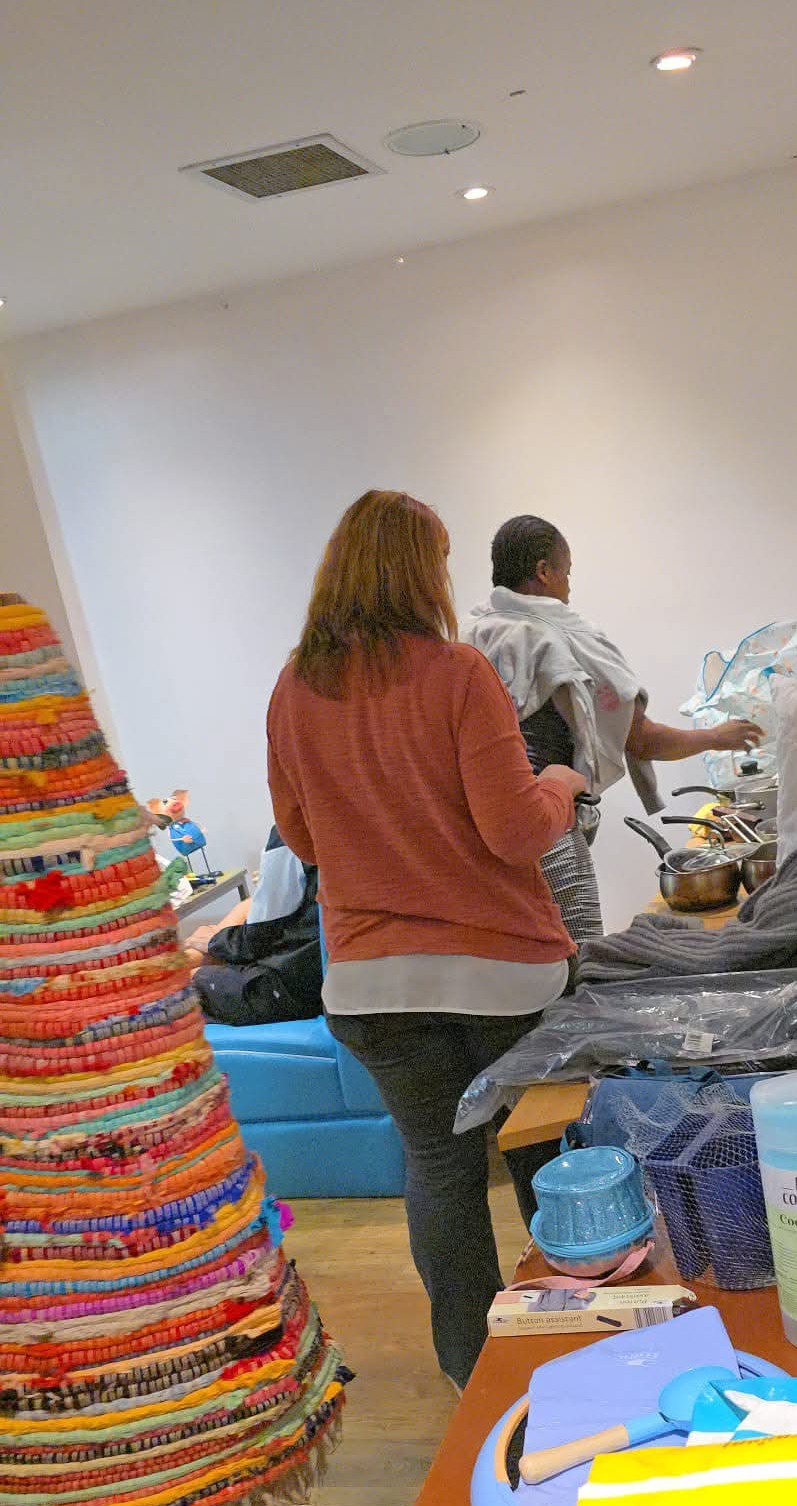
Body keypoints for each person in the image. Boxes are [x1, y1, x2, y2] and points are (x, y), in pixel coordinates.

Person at [267, 489, 585, 1390]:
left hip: (372, 988)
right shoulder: (455, 674)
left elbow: (303, 839)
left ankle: (475, 1375)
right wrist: (559, 780)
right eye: (440, 559)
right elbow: (516, 832)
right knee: (539, 1153)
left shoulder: (294, 686)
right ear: (418, 570)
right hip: (502, 978)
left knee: (439, 1170)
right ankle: (566, 1337)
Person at [463, 515, 762, 940]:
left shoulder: (465, 640)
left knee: (509, 964)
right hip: (546, 830)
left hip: (473, 841)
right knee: (576, 959)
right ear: (545, 571)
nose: (569, 587)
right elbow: (641, 737)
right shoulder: (559, 639)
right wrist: (717, 736)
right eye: (567, 572)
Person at [186, 826, 323, 1025]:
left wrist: (216, 941)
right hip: (322, 969)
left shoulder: (293, 830)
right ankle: (195, 956)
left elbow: (255, 939)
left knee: (184, 981)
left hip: (294, 989)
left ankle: (190, 959)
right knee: (247, 906)